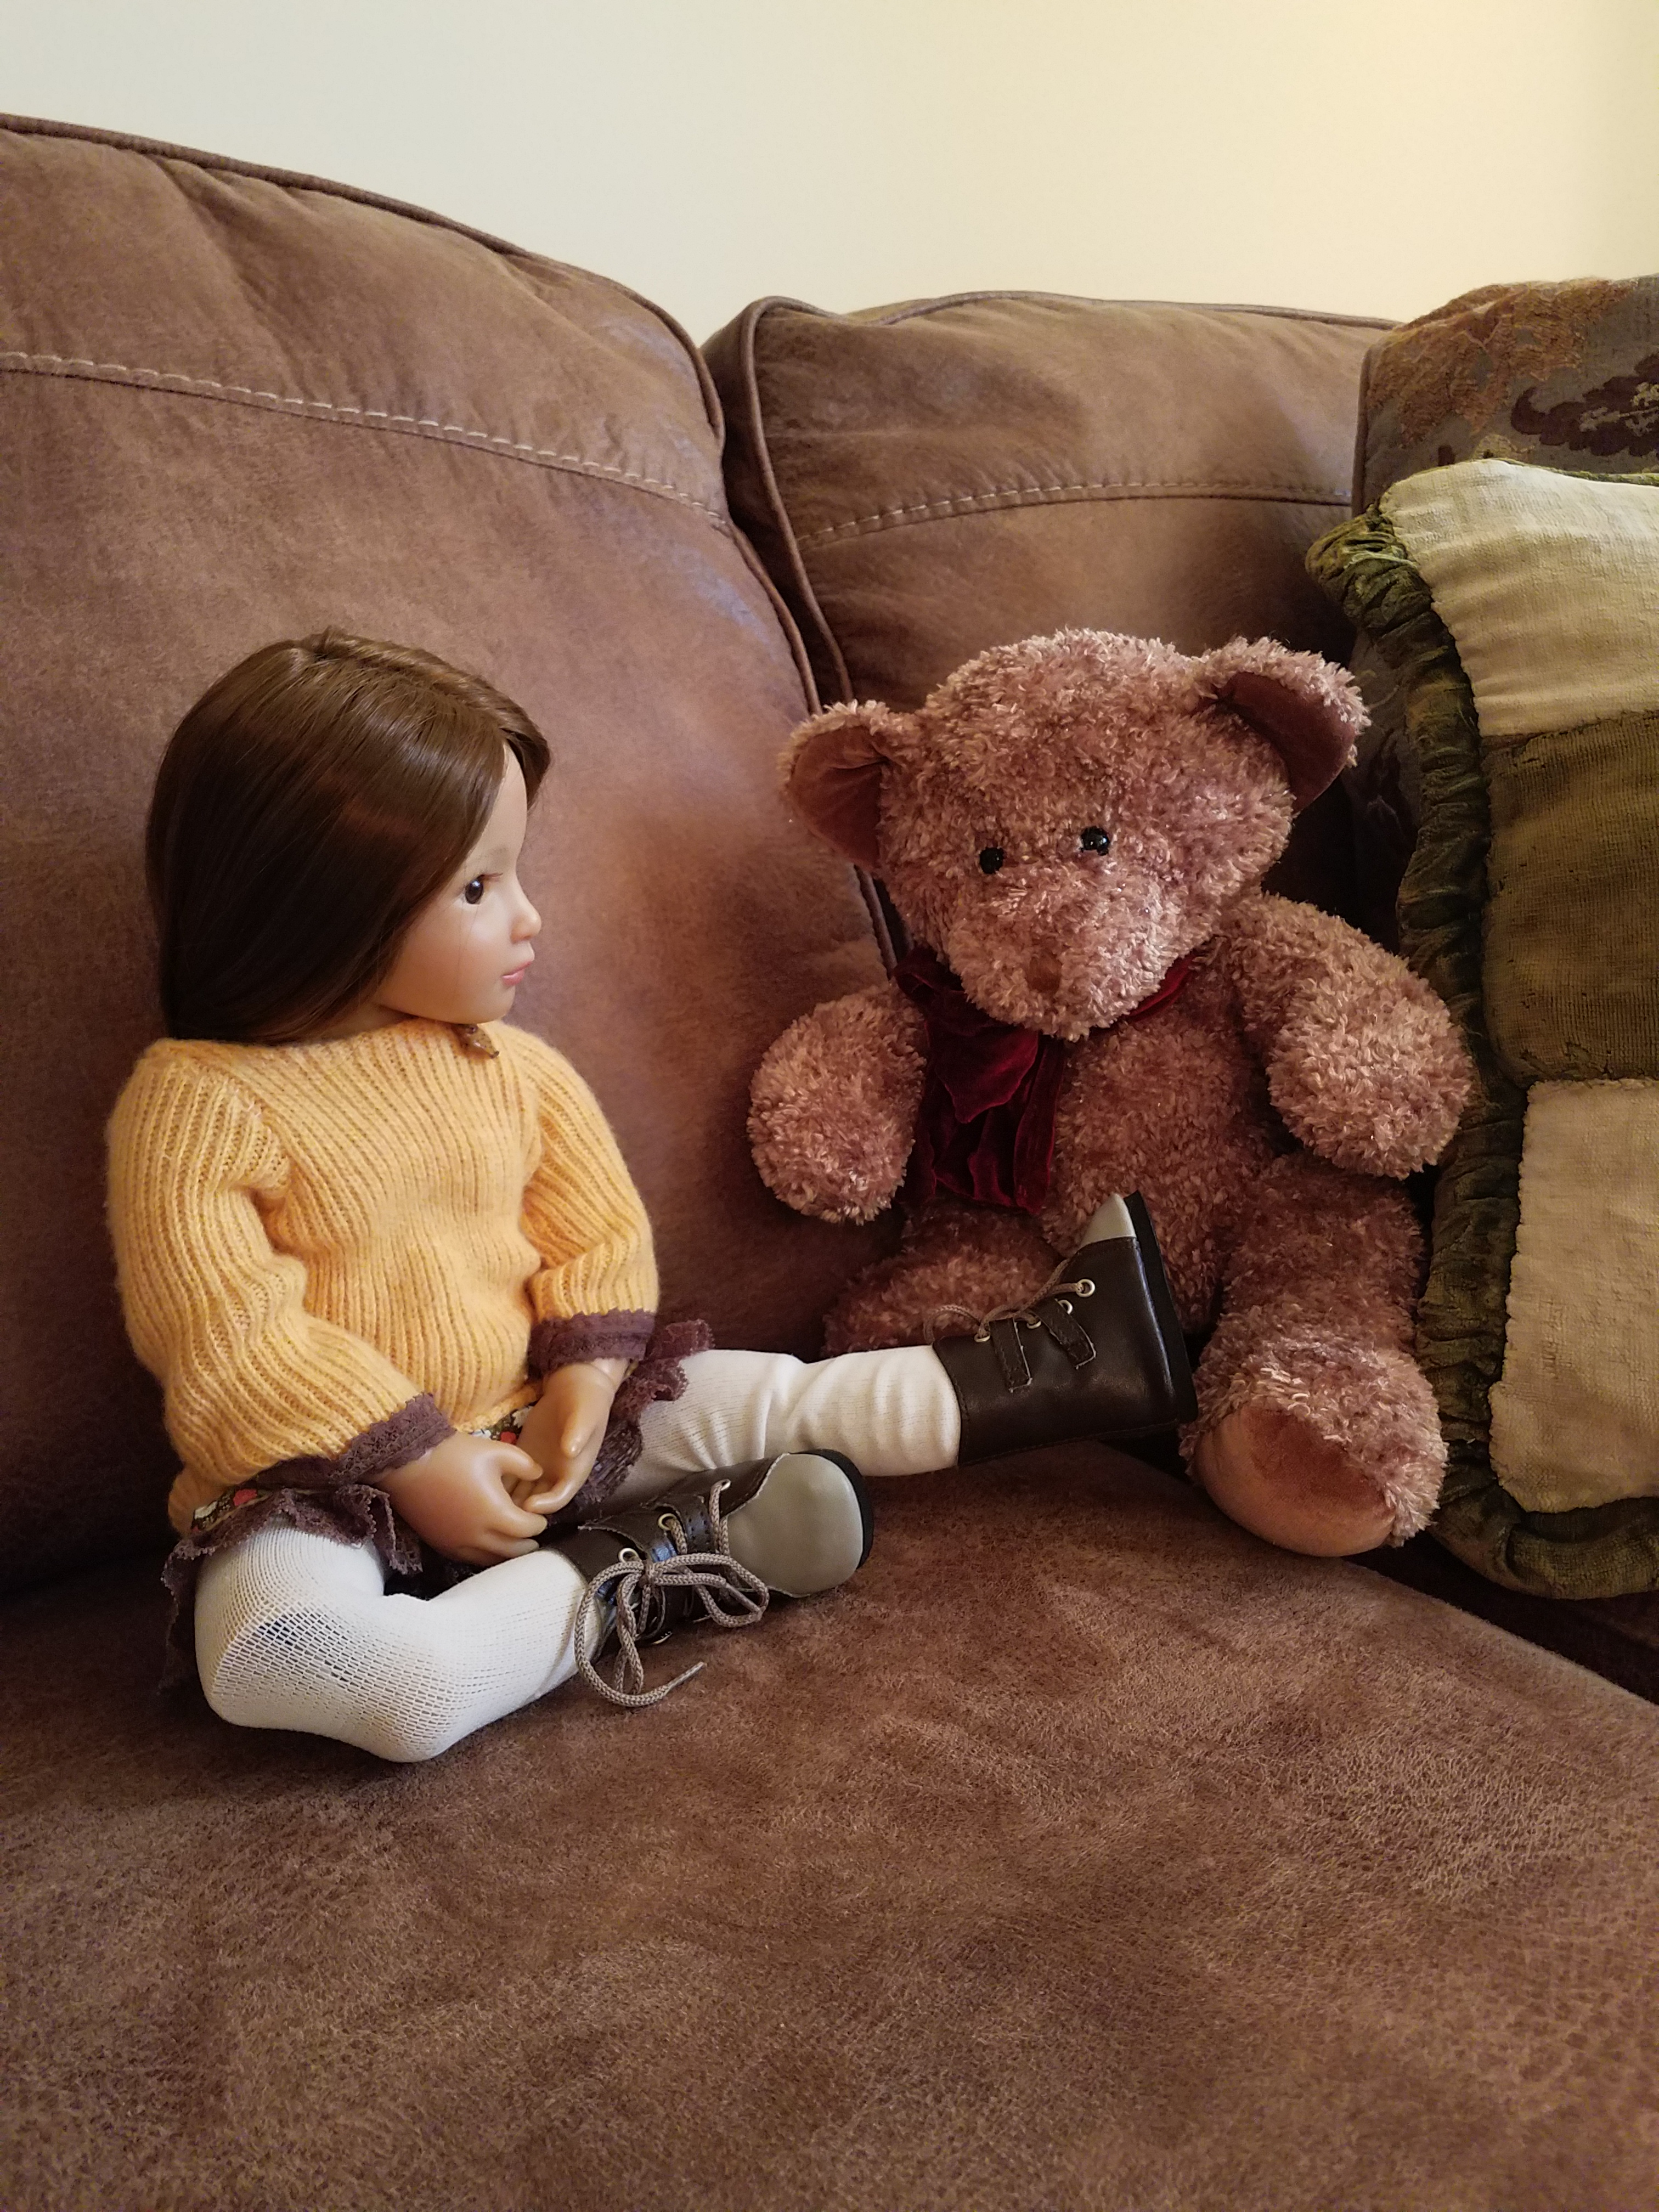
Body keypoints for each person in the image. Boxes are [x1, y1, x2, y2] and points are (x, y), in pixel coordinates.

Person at [107, 633, 1193, 1764]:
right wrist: (414, 1461)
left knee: (766, 1397)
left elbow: (596, 1238)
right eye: (479, 887)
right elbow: (229, 1337)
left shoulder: (513, 1071)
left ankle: (1054, 1368)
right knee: (283, 1660)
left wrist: (584, 1385)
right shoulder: (199, 1104)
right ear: (321, 908)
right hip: (321, 1487)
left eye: (516, 871)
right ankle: (645, 1565)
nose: (528, 917)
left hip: (538, 1422)